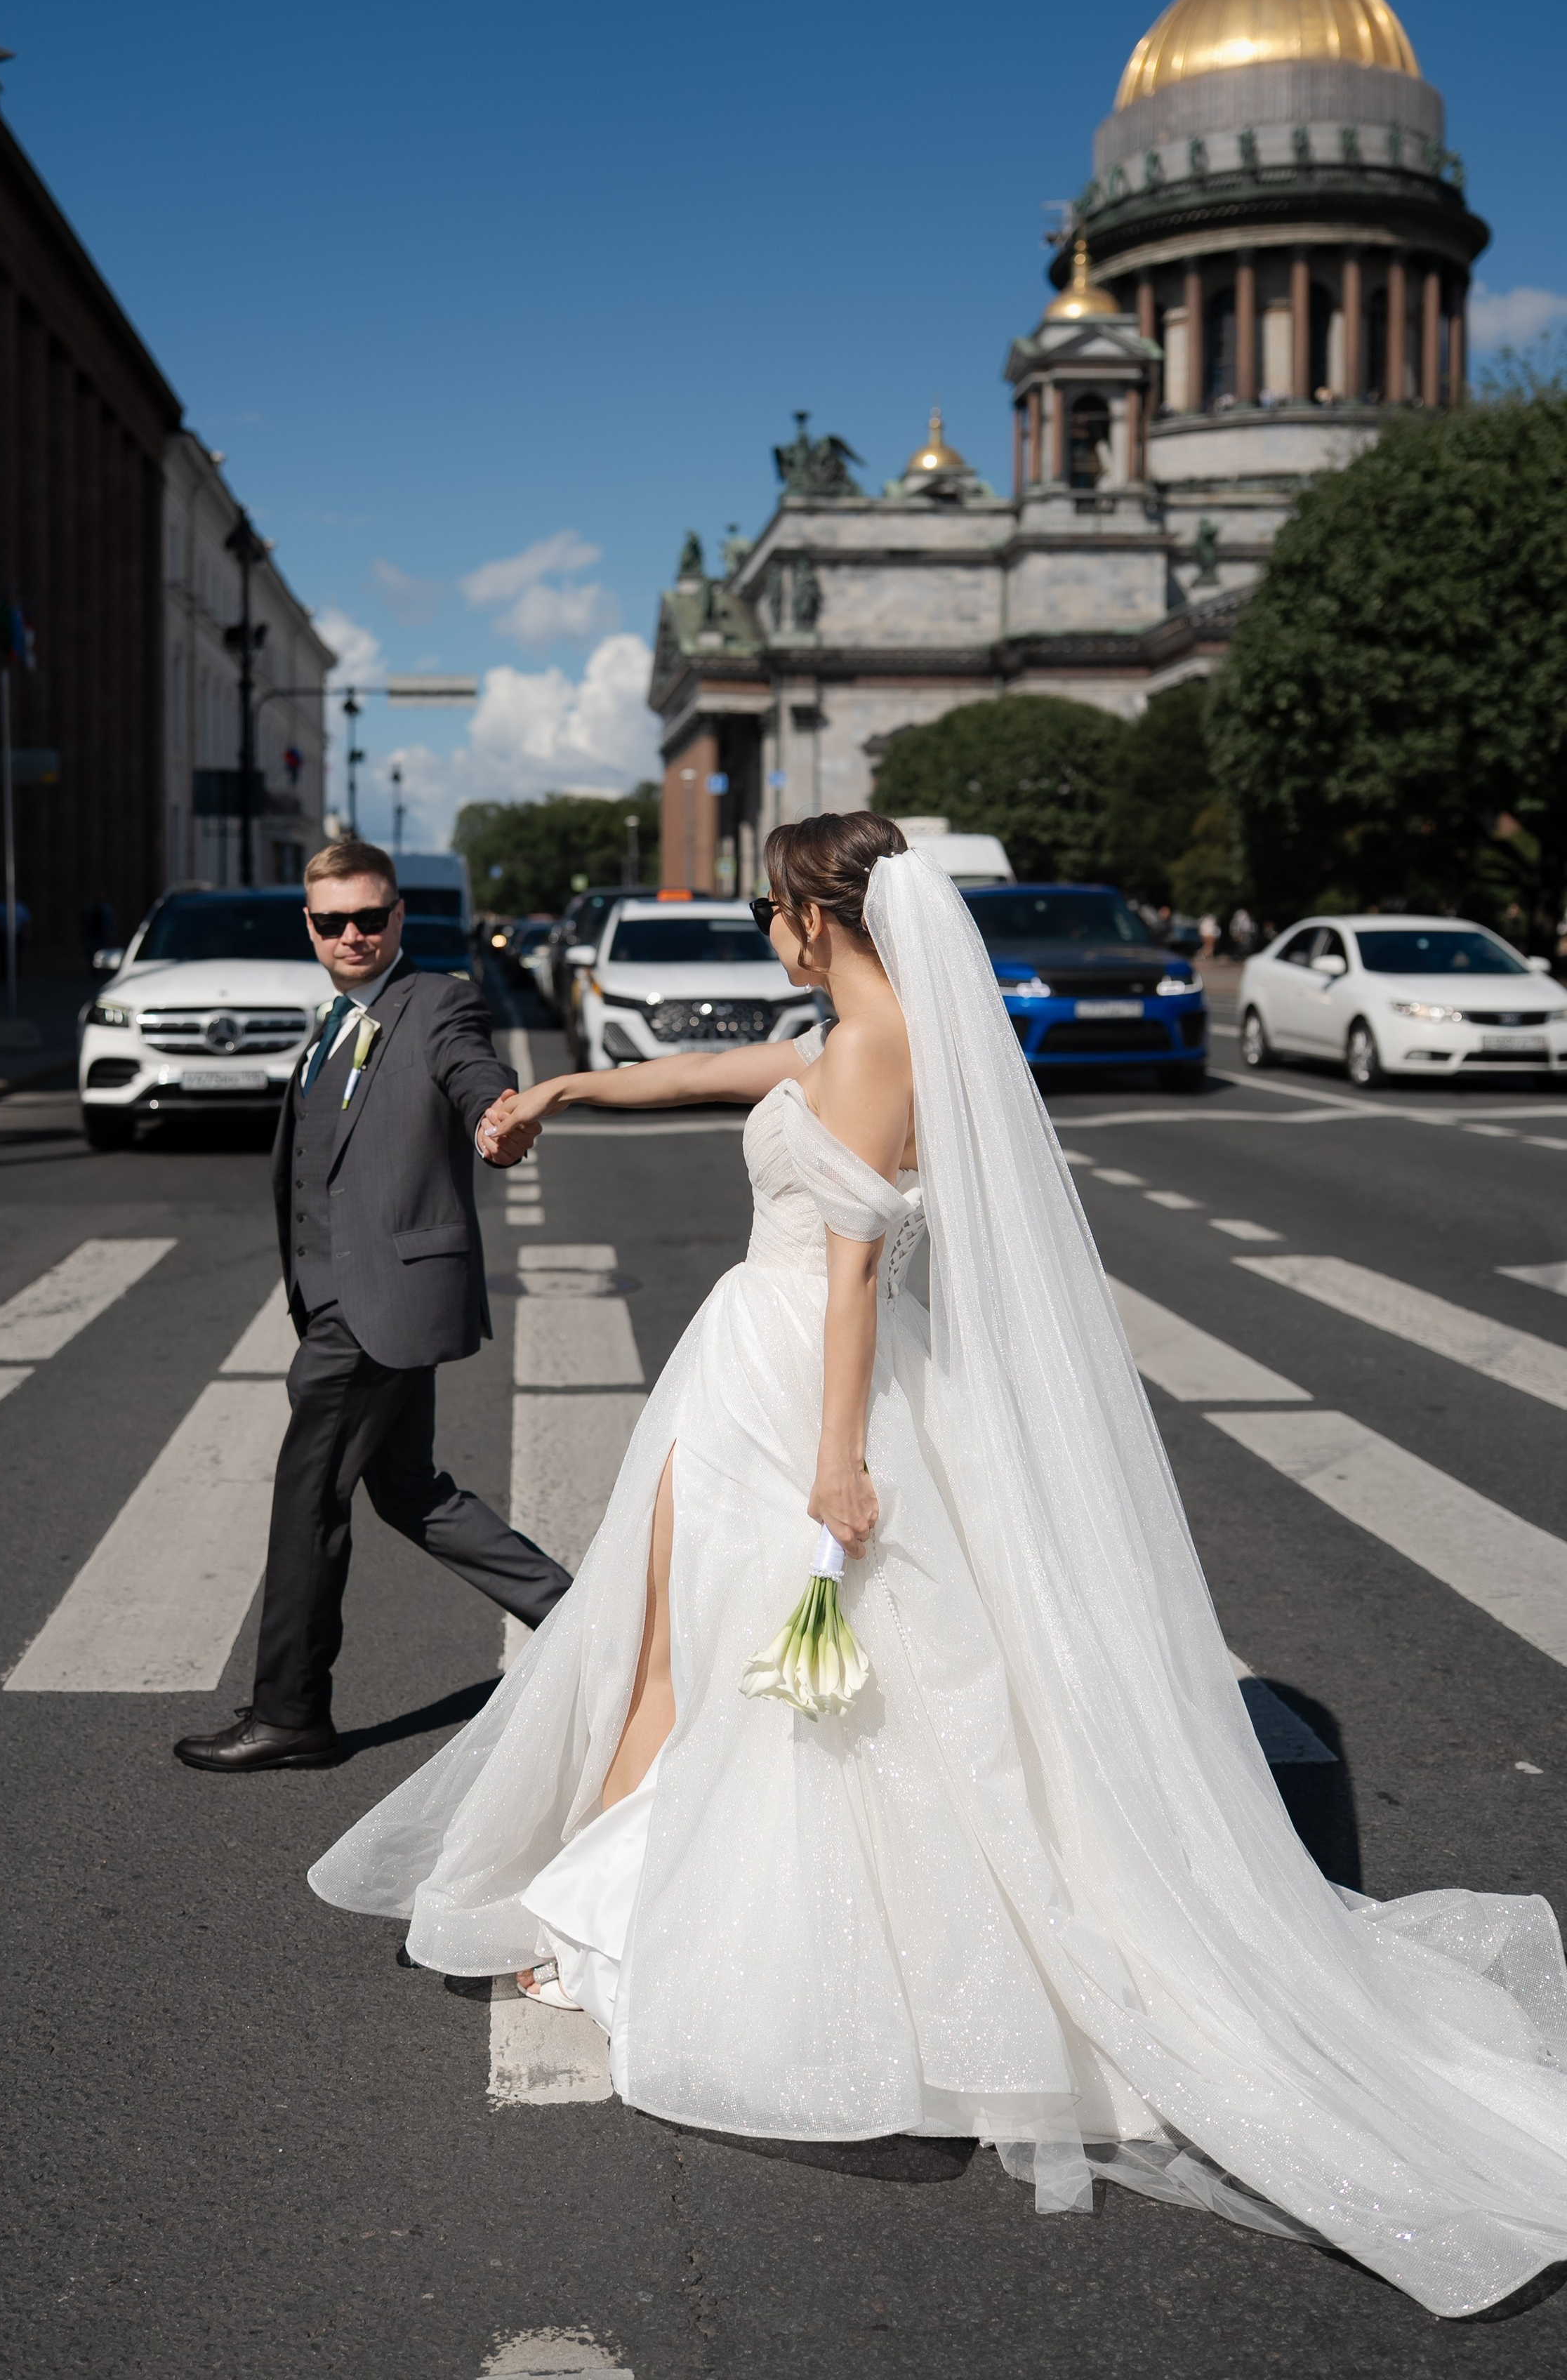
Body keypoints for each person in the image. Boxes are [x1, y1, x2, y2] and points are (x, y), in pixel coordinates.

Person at [309, 812, 1567, 2318]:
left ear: (810, 917)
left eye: (772, 910)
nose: (766, 933)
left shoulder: (870, 1051)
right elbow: (727, 1076)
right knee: (689, 1638)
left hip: (790, 1386)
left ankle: (612, 1916)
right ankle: (600, 1893)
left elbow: (845, 1262)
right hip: (765, 1368)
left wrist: (837, 1461)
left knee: (717, 1652)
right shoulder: (860, 1032)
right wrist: (574, 1085)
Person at [176, 838, 571, 1775]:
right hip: (345, 1299)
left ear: (399, 919)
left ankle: (290, 1712)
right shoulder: (334, 1021)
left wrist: (499, 1125)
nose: (352, 934)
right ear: (309, 926)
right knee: (409, 1490)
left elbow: (474, 1073)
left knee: (308, 1496)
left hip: (376, 1302)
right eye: (332, 921)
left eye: (369, 917)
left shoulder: (435, 1001)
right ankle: (591, 1622)